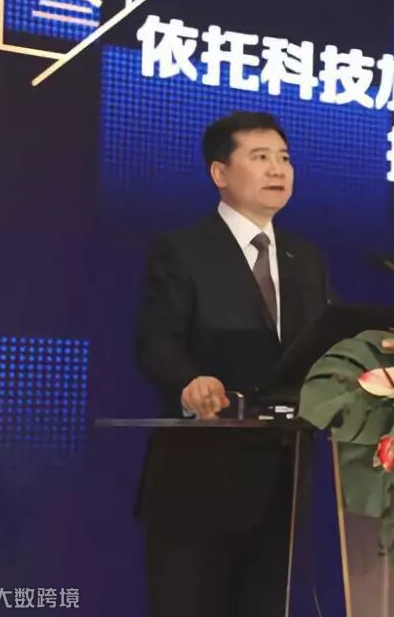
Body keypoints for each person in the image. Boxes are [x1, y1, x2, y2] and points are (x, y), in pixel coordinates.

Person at [133, 111, 333, 617]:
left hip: (283, 481)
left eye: (284, 158)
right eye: (260, 157)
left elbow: (319, 352)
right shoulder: (183, 250)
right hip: (199, 483)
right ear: (220, 173)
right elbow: (155, 341)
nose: (277, 169)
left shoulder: (305, 259)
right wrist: (188, 382)